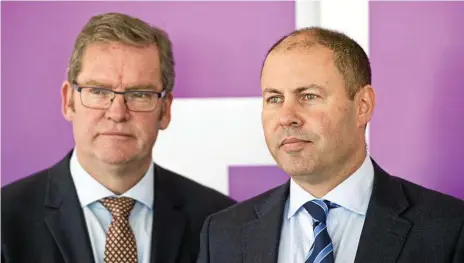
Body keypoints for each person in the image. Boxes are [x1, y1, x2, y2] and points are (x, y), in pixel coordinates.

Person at [196, 27, 464, 263]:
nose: (287, 117)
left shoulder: (448, 228)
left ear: (362, 106)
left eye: (309, 96)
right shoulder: (222, 233)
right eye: (275, 99)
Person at [1, 12, 235, 263]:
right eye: (99, 91)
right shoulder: (5, 219)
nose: (117, 113)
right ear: (69, 101)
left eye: (139, 94)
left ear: (165, 110)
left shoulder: (221, 222)